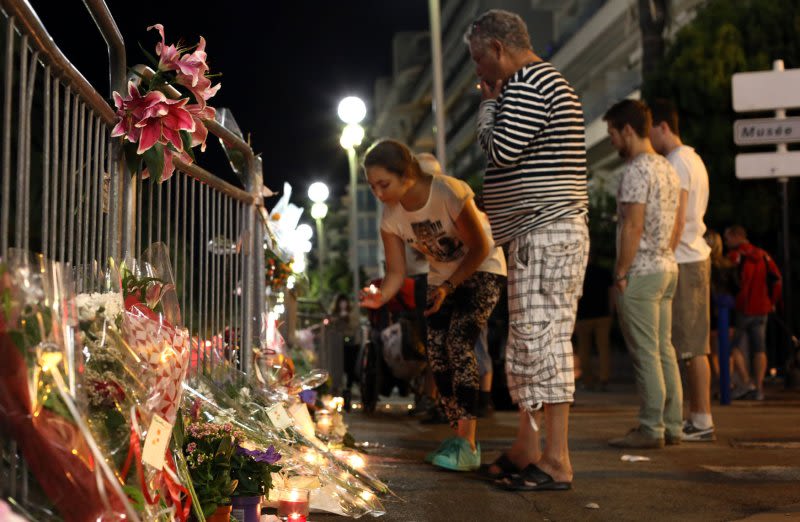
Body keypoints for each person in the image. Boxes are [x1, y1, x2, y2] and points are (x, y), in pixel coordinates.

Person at [467, 9, 589, 491]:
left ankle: (556, 460)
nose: (479, 73)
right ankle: (529, 447)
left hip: (548, 232)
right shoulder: (535, 83)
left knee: (544, 342)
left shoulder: (529, 83)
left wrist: (488, 106)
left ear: (498, 49)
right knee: (530, 344)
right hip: (537, 234)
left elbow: (499, 149)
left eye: (479, 60)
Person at [359, 139, 507, 472]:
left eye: (384, 184)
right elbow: (396, 271)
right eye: (372, 187)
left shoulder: (447, 191)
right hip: (442, 279)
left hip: (482, 269)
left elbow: (481, 246)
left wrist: (450, 286)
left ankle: (469, 444)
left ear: (406, 175)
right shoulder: (390, 216)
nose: (379, 193)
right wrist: (380, 296)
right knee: (436, 353)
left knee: (458, 343)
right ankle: (457, 436)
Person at [603, 99, 682, 449]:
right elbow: (678, 222)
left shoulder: (636, 171)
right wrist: (666, 252)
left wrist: (621, 271)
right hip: (667, 266)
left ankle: (651, 427)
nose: (612, 142)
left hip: (642, 271)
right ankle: (673, 423)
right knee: (664, 348)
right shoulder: (667, 168)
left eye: (613, 134)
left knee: (646, 351)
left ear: (628, 130)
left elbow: (632, 225)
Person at [649, 99, 714, 442]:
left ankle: (700, 421)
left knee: (689, 347)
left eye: (650, 131)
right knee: (693, 345)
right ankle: (698, 418)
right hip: (694, 256)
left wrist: (665, 256)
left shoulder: (676, 162)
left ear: (662, 127)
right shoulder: (694, 158)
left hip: (686, 258)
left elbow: (678, 213)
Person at [724, 225, 782, 401]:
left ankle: (746, 382)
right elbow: (777, 280)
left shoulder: (735, 256)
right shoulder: (764, 255)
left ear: (736, 237)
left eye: (727, 239)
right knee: (759, 348)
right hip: (762, 308)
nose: (726, 243)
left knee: (732, 348)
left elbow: (728, 281)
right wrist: (772, 302)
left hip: (743, 308)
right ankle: (759, 388)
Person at [574, 252, 614, 391]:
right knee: (603, 348)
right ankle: (604, 378)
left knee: (583, 349)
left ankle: (587, 380)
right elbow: (611, 293)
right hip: (603, 314)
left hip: (583, 316)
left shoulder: (578, 272)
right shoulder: (604, 273)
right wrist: (611, 310)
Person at [704, 229, 739, 390]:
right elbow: (736, 287)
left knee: (713, 352)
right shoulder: (728, 264)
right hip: (727, 310)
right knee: (727, 350)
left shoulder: (704, 266)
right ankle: (727, 381)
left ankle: (721, 381)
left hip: (710, 310)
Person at [329, 293, 360, 409]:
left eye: (344, 302)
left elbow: (355, 325)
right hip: (337, 345)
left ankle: (348, 392)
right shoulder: (334, 314)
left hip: (351, 345)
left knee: (350, 369)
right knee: (338, 369)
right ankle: (338, 391)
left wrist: (347, 317)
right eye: (341, 302)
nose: (343, 304)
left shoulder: (352, 314)